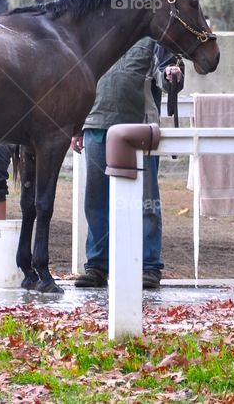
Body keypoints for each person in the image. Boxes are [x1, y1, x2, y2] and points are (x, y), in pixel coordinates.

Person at [73, 38, 182, 290]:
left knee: (146, 201)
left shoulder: (153, 38)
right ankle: (97, 266)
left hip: (139, 128)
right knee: (96, 199)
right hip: (95, 125)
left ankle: (149, 266)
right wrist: (76, 126)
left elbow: (168, 73)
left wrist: (171, 73)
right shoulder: (96, 35)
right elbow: (80, 83)